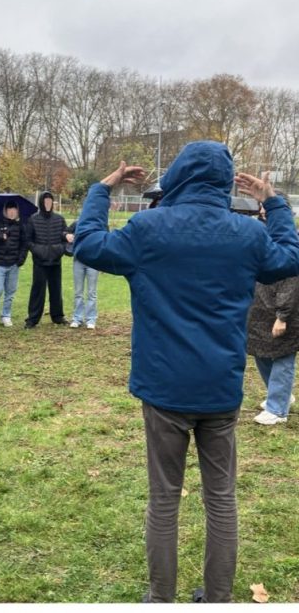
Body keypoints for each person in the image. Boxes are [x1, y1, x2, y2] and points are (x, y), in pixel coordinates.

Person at [75, 141, 299, 603]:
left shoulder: (148, 228)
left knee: (164, 499)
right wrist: (273, 203)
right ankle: (218, 599)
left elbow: (89, 244)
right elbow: (289, 257)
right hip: (219, 387)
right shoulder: (247, 234)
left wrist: (103, 188)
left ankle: (161, 599)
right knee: (221, 498)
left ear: (178, 175)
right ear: (223, 182)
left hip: (164, 387)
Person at [246, 204, 299, 426]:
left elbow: (291, 281)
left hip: (285, 310)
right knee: (262, 354)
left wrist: (283, 316)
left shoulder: (289, 242)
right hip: (259, 310)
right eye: (262, 211)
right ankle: (281, 395)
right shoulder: (261, 237)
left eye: (268, 210)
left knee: (282, 357)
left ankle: (277, 409)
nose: (263, 214)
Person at [24, 191, 68, 328]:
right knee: (38, 290)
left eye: (50, 201)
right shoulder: (33, 219)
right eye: (45, 201)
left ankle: (58, 316)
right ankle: (32, 319)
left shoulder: (59, 219)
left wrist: (59, 249)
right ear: (41, 203)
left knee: (56, 289)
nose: (48, 204)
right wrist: (38, 251)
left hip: (55, 261)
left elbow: (65, 238)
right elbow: (28, 240)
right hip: (40, 262)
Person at [0, 200, 28, 327]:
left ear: (17, 211)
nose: (12, 212)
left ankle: (6, 315)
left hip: (13, 264)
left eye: (14, 209)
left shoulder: (20, 226)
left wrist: (21, 259)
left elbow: (24, 244)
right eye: (9, 209)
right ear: (5, 211)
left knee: (10, 292)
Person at [66, 220, 99, 329]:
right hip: (78, 261)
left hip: (93, 262)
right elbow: (65, 232)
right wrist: (67, 235)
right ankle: (77, 318)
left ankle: (91, 319)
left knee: (91, 292)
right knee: (78, 292)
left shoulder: (97, 223)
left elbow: (105, 240)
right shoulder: (77, 223)